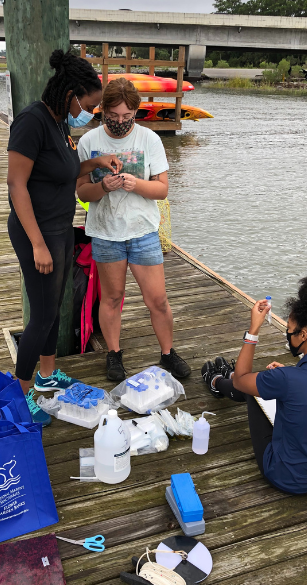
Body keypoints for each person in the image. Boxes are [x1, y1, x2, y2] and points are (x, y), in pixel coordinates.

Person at [7, 50, 122, 425]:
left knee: (55, 307)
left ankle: (47, 374)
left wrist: (96, 162)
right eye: (87, 105)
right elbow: (16, 184)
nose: (88, 112)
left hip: (59, 229)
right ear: (70, 94)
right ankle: (19, 397)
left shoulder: (59, 122)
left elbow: (63, 167)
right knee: (40, 317)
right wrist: (38, 243)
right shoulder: (32, 121)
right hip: (36, 233)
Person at [201, 272, 307, 495]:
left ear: (303, 335)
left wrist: (254, 330)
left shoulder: (287, 379)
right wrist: (288, 375)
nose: (287, 333)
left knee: (248, 388)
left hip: (286, 476)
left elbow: (242, 381)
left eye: (289, 329)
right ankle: (224, 379)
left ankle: (216, 381)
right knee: (270, 385)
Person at [76, 78, 191, 381]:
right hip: (105, 232)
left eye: (127, 117)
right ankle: (113, 355)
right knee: (112, 299)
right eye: (112, 117)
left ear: (136, 113)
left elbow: (162, 189)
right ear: (103, 111)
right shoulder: (89, 143)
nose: (119, 123)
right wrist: (103, 186)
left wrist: (135, 184)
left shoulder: (149, 140)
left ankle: (168, 353)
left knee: (158, 299)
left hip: (143, 231)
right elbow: (82, 193)